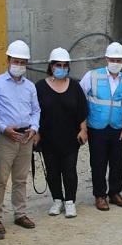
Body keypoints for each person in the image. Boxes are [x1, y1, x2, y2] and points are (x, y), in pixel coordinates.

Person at [0, 40, 40, 235]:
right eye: (16, 61)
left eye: (23, 62)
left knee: (21, 178)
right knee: (0, 179)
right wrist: (4, 129)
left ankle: (20, 212)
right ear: (7, 60)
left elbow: (36, 110)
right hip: (5, 137)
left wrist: (34, 128)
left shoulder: (30, 86)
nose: (19, 65)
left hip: (25, 137)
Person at [36, 48, 89, 218]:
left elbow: (82, 109)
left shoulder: (74, 86)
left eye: (65, 65)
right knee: (52, 171)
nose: (61, 68)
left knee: (69, 170)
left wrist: (83, 129)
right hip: (48, 138)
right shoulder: (40, 87)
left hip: (70, 138)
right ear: (51, 66)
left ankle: (70, 201)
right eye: (58, 65)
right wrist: (36, 132)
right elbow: (34, 111)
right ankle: (57, 200)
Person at [81, 42, 122, 211]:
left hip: (117, 127)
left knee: (118, 161)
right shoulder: (91, 76)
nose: (115, 63)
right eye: (113, 59)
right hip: (97, 127)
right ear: (106, 59)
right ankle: (100, 195)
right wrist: (83, 126)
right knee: (98, 162)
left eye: (119, 60)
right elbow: (81, 99)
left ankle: (115, 192)